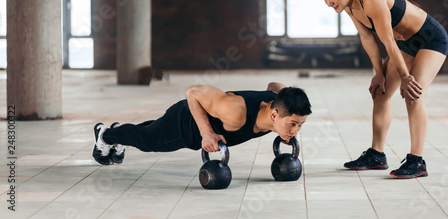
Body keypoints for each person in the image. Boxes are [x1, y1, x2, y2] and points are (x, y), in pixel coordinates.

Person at [316, 0, 448, 179]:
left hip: (430, 39)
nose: (329, 3)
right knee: (381, 92)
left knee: (413, 94)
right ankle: (376, 156)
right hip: (404, 44)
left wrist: (406, 77)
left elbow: (387, 40)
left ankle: (417, 161)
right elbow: (368, 38)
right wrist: (379, 73)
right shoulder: (349, 6)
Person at [92, 82, 312, 165]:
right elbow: (193, 92)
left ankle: (117, 131)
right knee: (148, 141)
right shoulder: (235, 112)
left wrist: (289, 124)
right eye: (293, 124)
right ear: (274, 115)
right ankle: (106, 135)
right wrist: (207, 133)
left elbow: (275, 85)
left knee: (151, 130)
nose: (296, 131)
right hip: (186, 123)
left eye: (300, 125)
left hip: (198, 119)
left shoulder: (278, 99)